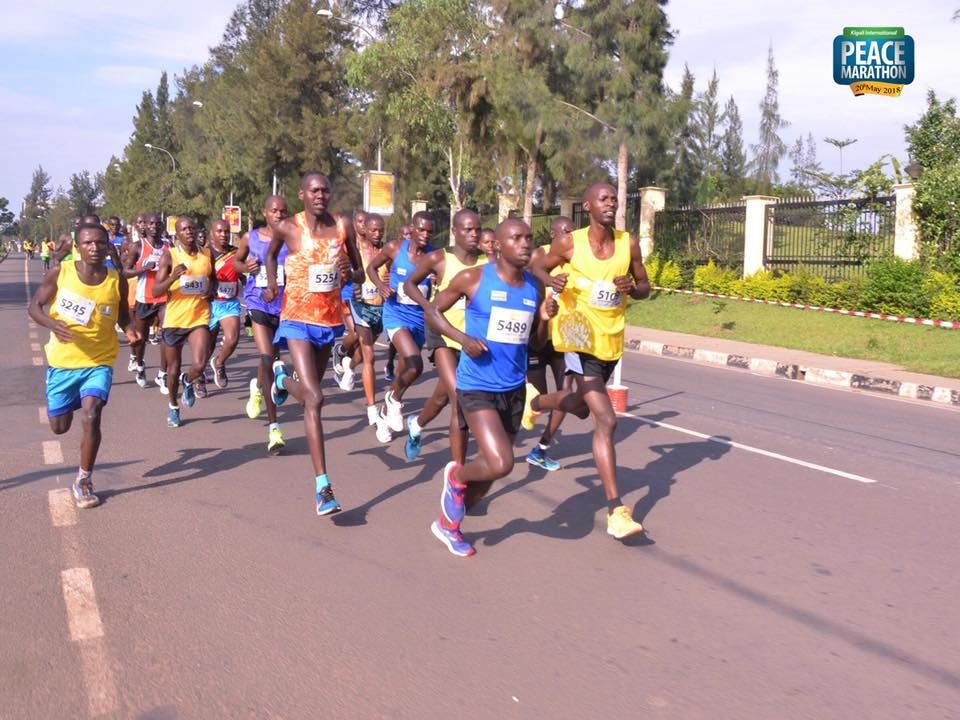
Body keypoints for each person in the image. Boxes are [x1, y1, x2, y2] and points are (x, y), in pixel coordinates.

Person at [526, 183, 650, 540]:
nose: (611, 203)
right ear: (588, 206)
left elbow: (646, 288)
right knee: (606, 420)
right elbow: (535, 265)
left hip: (609, 340)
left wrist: (632, 288)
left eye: (614, 198)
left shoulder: (629, 243)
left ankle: (534, 402)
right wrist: (551, 279)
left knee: (580, 408)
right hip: (577, 337)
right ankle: (616, 511)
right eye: (604, 199)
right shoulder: (570, 242)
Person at [426, 219, 555, 557]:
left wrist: (544, 317)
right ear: (498, 245)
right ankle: (455, 479)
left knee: (484, 485)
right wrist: (462, 339)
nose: (526, 244)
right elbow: (433, 313)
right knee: (501, 463)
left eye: (529, 237)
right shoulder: (473, 278)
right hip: (477, 386)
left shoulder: (533, 287)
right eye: (517, 238)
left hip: (513, 388)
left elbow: (536, 343)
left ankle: (448, 524)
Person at [263, 172, 364, 515]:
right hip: (296, 320)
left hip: (329, 321)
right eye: (314, 190)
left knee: (309, 397)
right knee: (316, 399)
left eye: (325, 190)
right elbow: (270, 255)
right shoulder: (288, 228)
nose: (321, 195)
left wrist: (351, 273)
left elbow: (359, 271)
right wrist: (274, 284)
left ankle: (280, 381)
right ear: (302, 194)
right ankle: (324, 487)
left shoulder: (342, 225)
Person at [27, 223, 140, 508]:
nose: (94, 248)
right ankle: (71, 400)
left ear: (107, 246)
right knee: (59, 427)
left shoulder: (116, 279)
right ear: (78, 246)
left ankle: (84, 480)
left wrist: (130, 330)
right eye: (88, 243)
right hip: (63, 363)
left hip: (98, 361)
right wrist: (54, 324)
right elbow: (34, 307)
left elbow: (122, 316)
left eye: (100, 243)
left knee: (91, 415)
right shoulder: (61, 273)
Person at [402, 208, 486, 460]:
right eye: (468, 230)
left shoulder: (487, 263)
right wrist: (429, 308)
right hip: (442, 334)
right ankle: (456, 472)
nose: (474, 234)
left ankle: (416, 424)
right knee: (458, 397)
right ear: (455, 232)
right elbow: (409, 284)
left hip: (471, 338)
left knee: (441, 397)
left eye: (477, 230)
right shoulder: (440, 258)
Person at [366, 211, 434, 441]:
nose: (425, 235)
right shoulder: (395, 248)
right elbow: (371, 269)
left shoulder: (434, 256)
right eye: (422, 229)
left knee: (407, 371)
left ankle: (387, 410)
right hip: (395, 315)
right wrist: (381, 287)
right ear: (413, 229)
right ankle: (394, 401)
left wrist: (437, 280)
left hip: (418, 319)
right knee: (416, 364)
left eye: (430, 231)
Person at [234, 195, 289, 455]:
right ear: (265, 213)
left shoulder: (292, 238)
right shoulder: (251, 237)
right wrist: (245, 266)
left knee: (272, 358)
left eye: (283, 211)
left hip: (286, 306)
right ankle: (274, 429)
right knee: (268, 358)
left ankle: (257, 387)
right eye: (274, 211)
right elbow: (235, 262)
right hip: (258, 304)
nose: (278, 215)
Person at [152, 216, 217, 428]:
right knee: (173, 368)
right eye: (184, 229)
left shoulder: (207, 254)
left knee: (199, 364)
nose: (189, 231)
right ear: (177, 234)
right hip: (174, 319)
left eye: (192, 227)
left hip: (199, 316)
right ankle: (173, 406)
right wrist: (172, 278)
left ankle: (188, 380)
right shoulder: (169, 256)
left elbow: (213, 279)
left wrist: (210, 290)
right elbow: (155, 290)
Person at [524, 216, 575, 471]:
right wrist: (550, 281)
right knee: (539, 402)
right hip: (538, 335)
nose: (570, 236)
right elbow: (533, 271)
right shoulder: (541, 253)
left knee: (564, 395)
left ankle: (541, 449)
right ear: (554, 234)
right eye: (565, 232)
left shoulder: (579, 261)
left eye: (573, 232)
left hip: (564, 339)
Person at [342, 212, 390, 429]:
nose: (377, 234)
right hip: (360, 305)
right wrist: (352, 277)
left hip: (381, 308)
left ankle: (349, 366)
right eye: (374, 230)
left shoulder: (387, 252)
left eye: (381, 230)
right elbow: (343, 270)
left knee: (362, 355)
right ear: (365, 230)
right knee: (370, 355)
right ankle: (372, 409)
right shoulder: (356, 250)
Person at [122, 213, 169, 390]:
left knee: (167, 335)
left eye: (157, 223)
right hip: (144, 298)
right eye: (151, 224)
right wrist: (143, 269)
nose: (154, 226)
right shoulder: (137, 247)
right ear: (145, 227)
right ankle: (140, 366)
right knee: (140, 339)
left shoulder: (168, 246)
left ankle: (163, 374)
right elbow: (125, 272)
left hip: (164, 297)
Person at [332, 209, 367, 391]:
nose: (363, 225)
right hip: (345, 293)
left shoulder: (374, 245)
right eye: (360, 222)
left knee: (361, 339)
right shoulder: (345, 243)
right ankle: (340, 351)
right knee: (354, 332)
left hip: (365, 297)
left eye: (365, 222)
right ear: (354, 223)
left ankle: (347, 361)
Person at [207, 219, 242, 389]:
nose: (224, 235)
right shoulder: (205, 254)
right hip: (208, 304)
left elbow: (243, 274)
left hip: (228, 303)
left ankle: (219, 363)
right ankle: (198, 377)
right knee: (207, 346)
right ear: (212, 233)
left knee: (232, 339)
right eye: (219, 231)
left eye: (226, 231)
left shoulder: (236, 252)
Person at [384, 223, 413, 383]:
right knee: (404, 348)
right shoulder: (395, 252)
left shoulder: (424, 255)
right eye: (406, 234)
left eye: (411, 234)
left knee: (406, 348)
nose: (409, 237)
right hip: (396, 306)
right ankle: (390, 364)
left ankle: (396, 387)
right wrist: (385, 285)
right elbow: (384, 268)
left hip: (415, 310)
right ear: (401, 236)